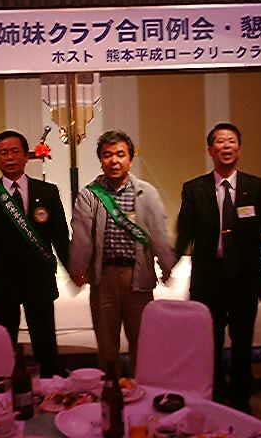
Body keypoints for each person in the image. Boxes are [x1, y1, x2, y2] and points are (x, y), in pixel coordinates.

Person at [175, 123, 261, 413]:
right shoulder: (194, 188)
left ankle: (242, 399)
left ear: (239, 148)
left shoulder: (256, 187)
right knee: (210, 342)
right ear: (210, 150)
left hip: (245, 278)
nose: (226, 146)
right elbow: (185, 230)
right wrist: (170, 259)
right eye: (220, 141)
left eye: (232, 141)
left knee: (243, 341)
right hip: (209, 278)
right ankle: (214, 396)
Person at [70, 130, 175, 374]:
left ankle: (142, 388)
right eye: (107, 155)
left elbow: (159, 232)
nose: (114, 161)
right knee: (107, 343)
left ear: (130, 158)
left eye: (120, 154)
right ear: (100, 159)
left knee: (143, 340)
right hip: (103, 278)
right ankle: (111, 389)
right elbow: (81, 235)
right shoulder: (90, 194)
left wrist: (167, 265)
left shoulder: (147, 192)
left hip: (138, 277)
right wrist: (77, 268)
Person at [0, 130, 69, 377]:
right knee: (2, 344)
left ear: (26, 156)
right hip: (2, 281)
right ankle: (3, 388)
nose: (10, 157)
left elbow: (60, 237)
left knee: (45, 342)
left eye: (15, 151)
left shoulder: (48, 191)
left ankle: (51, 386)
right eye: (3, 153)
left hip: (39, 279)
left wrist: (74, 269)